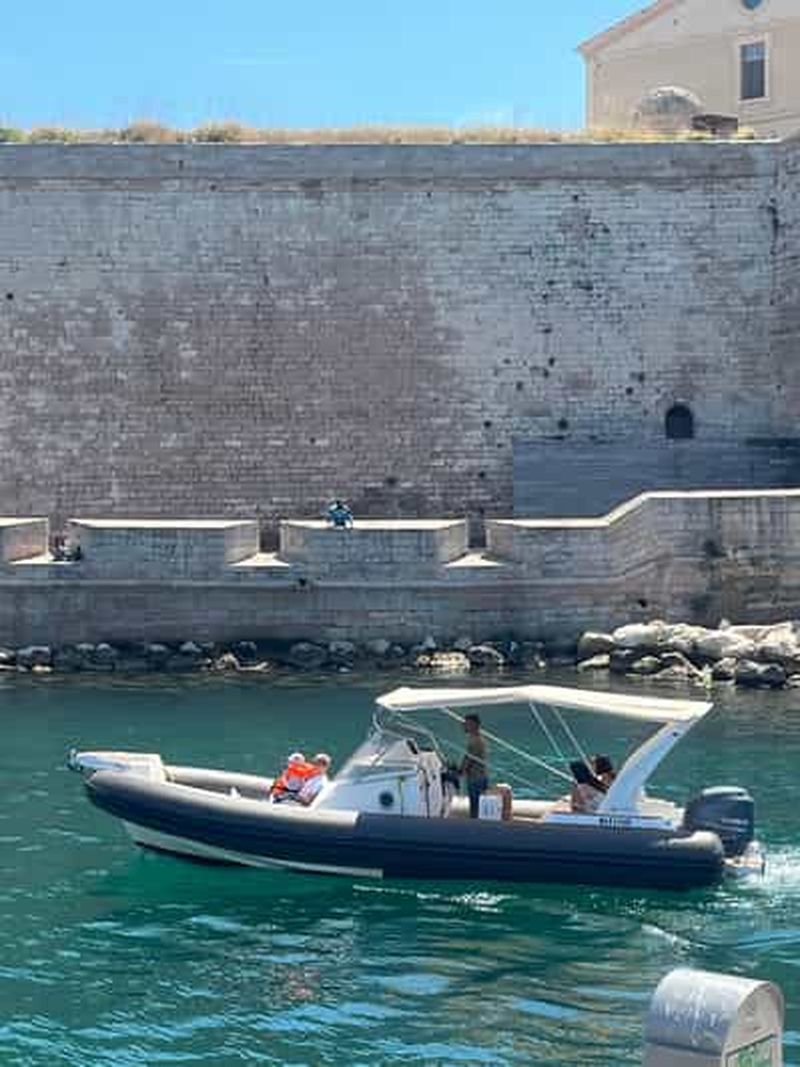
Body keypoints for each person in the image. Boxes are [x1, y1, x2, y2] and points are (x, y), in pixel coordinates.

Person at [460, 713, 489, 819]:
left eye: (466, 724)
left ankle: (475, 827)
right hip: (480, 777)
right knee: (477, 806)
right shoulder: (478, 739)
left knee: (475, 808)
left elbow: (469, 760)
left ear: (473, 725)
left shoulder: (475, 741)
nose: (463, 726)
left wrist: (459, 772)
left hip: (476, 779)